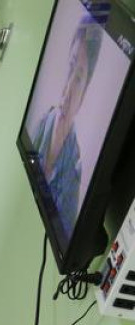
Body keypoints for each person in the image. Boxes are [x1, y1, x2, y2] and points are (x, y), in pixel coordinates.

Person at [31, 15, 105, 235]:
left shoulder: (74, 170)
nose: (68, 91)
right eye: (71, 66)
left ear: (84, 93)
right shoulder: (41, 124)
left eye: (79, 78)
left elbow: (64, 234)